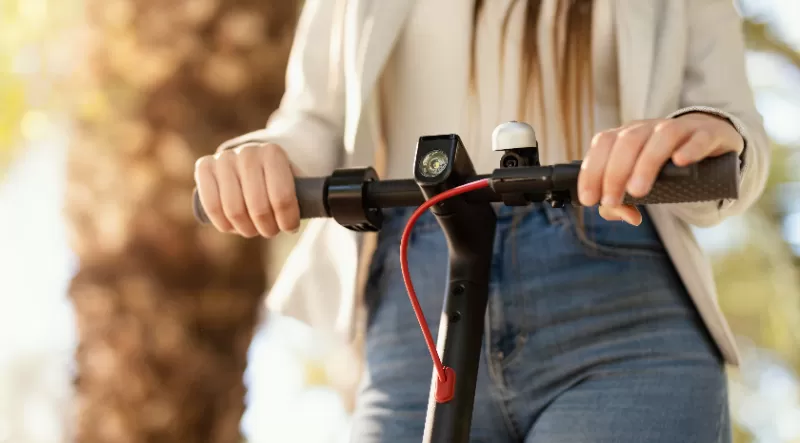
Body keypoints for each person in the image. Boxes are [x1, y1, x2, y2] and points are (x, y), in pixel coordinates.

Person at [194, 0, 770, 441]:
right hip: (415, 316)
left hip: (620, 309)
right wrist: (262, 156)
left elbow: (730, 127)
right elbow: (312, 120)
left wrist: (702, 136)